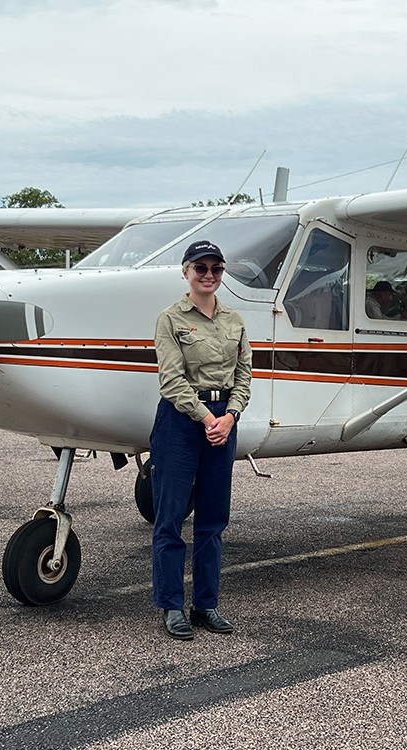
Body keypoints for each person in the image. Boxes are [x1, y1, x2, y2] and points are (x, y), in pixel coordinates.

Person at [151, 239, 252, 641]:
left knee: (213, 519)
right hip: (181, 421)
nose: (208, 275)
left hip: (222, 420)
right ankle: (172, 605)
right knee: (171, 518)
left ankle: (206, 604)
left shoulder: (234, 320)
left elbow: (244, 374)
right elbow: (171, 379)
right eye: (200, 268)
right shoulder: (170, 318)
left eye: (216, 268)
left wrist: (230, 416)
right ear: (185, 271)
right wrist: (208, 417)